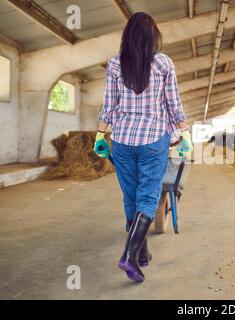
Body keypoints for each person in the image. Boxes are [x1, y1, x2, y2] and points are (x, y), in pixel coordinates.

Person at [93, 12, 192, 283]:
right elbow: (173, 103)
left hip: (122, 141)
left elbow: (108, 105)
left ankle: (142, 254)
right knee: (148, 198)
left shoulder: (115, 64)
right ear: (153, 36)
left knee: (131, 196)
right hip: (152, 140)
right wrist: (185, 134)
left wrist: (100, 135)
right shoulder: (163, 63)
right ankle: (128, 255)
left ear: (127, 36)